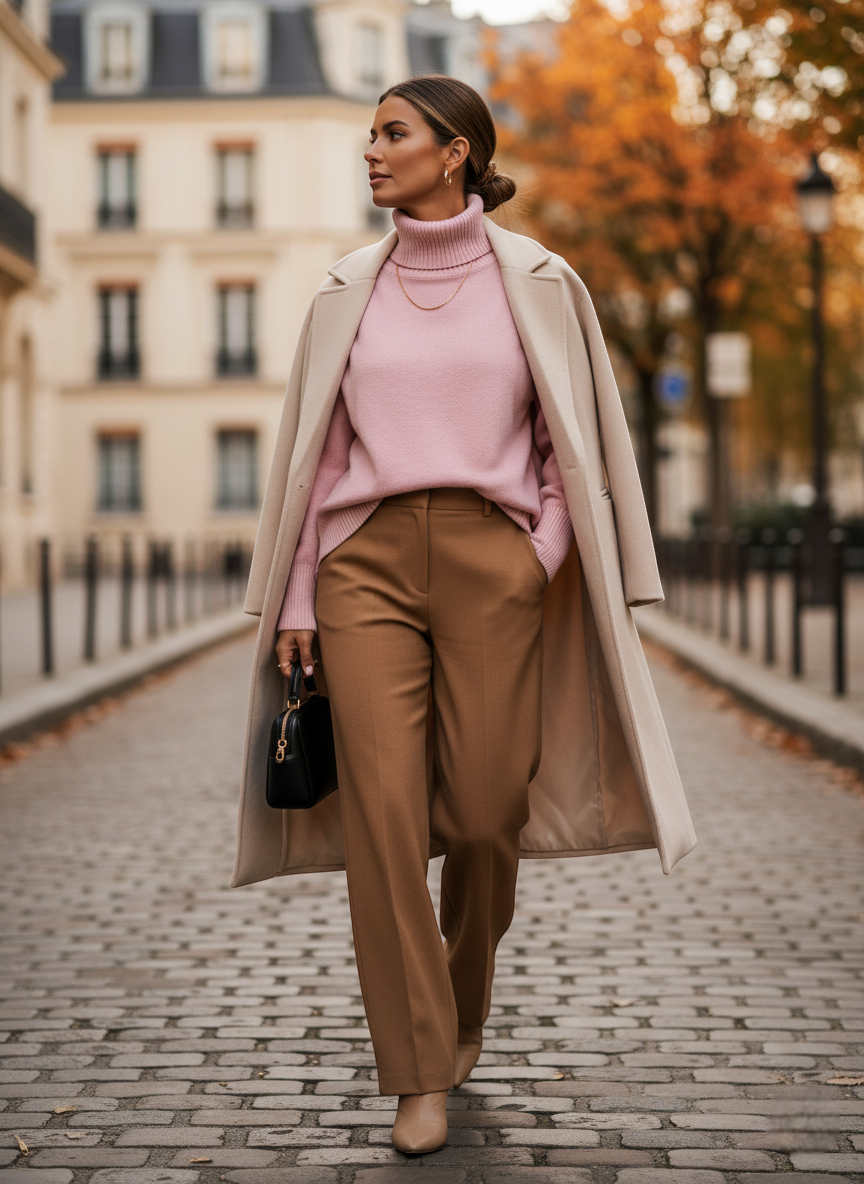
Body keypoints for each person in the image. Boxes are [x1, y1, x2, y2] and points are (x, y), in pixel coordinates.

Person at [231, 74, 696, 1156]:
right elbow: (318, 458)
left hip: (496, 560)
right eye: (369, 134)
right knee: (385, 820)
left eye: (391, 133)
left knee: (488, 812)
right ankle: (418, 1067)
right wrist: (297, 595)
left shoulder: (539, 280)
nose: (371, 151)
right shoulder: (345, 289)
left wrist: (538, 555)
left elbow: (565, 446)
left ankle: (461, 1000)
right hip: (362, 565)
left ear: (456, 153)